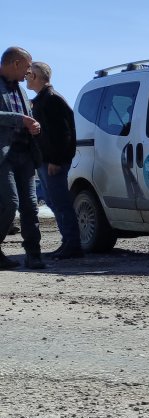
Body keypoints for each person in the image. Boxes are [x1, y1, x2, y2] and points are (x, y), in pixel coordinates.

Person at [27, 61, 80, 259]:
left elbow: (63, 133)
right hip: (45, 160)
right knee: (53, 201)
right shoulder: (42, 99)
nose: (26, 76)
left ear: (37, 76)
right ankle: (68, 242)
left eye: (29, 73)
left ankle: (73, 245)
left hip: (53, 162)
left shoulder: (52, 99)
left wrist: (56, 160)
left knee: (60, 202)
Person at [0, 46, 44, 270]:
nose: (28, 72)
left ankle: (34, 255)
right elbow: (18, 118)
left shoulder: (22, 91)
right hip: (4, 157)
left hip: (26, 155)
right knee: (10, 203)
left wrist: (34, 126)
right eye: (27, 66)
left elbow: (28, 118)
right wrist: (21, 119)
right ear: (15, 63)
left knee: (30, 206)